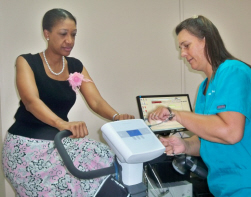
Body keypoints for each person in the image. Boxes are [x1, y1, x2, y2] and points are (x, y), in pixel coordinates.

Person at [2, 8, 134, 197]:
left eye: (73, 34)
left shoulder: (75, 65)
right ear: (47, 34)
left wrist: (116, 117)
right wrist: (63, 124)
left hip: (56, 145)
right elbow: (31, 101)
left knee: (103, 156)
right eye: (63, 34)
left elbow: (95, 101)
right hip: (26, 147)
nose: (70, 40)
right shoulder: (27, 62)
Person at [148, 15, 251, 197]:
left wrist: (176, 114)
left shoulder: (232, 71)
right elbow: (206, 139)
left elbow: (231, 132)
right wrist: (185, 145)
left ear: (206, 40)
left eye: (186, 46)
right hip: (222, 188)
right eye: (180, 48)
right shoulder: (204, 87)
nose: (183, 54)